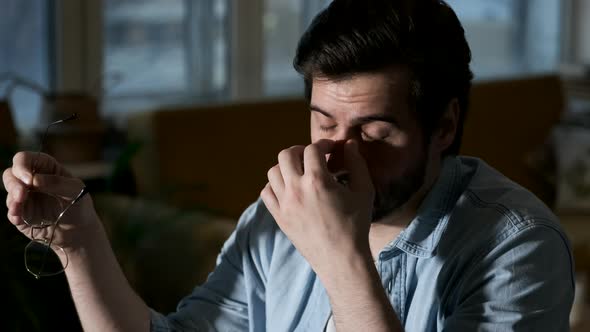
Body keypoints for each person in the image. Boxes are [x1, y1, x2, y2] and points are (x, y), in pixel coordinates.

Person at [3, 0, 574, 331]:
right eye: (323, 122)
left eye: (375, 131)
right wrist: (79, 243)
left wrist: (337, 253)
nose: (335, 155)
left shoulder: (517, 246)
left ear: (444, 126)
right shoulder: (279, 217)